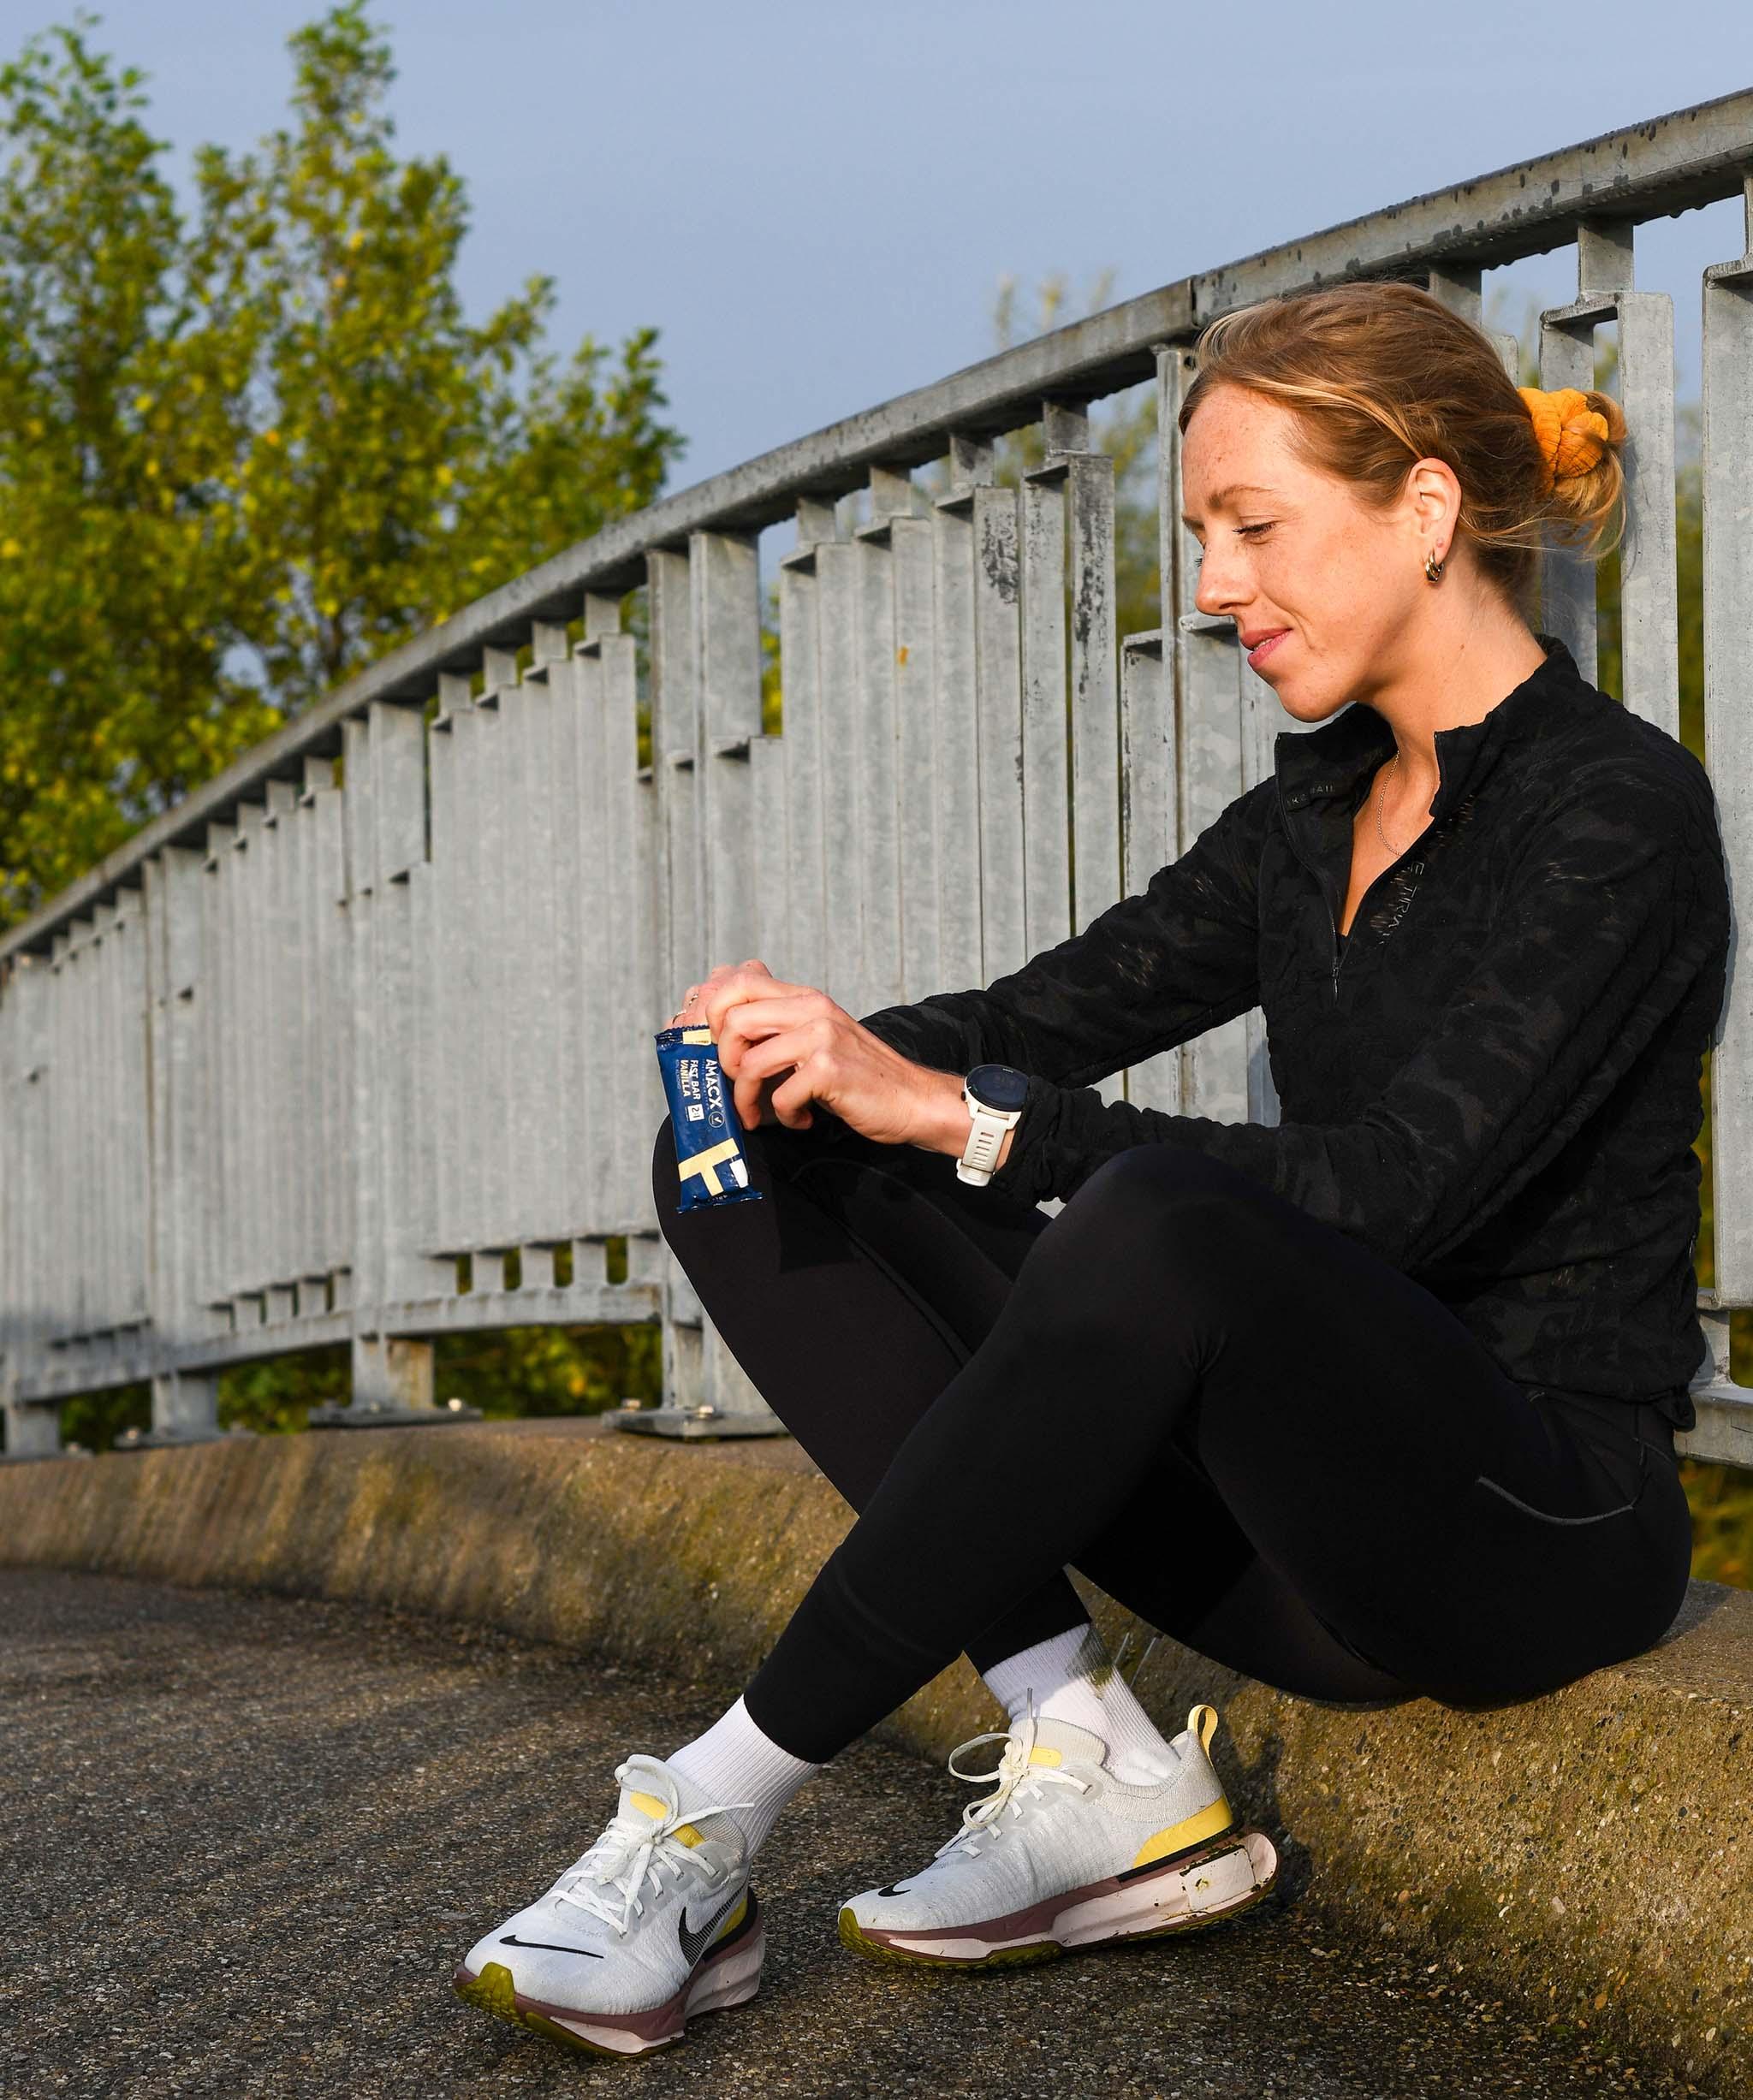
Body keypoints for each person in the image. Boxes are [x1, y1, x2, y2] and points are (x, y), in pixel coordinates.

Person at [453, 281, 1731, 2059]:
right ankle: (1090, 1758)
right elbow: (1043, 1016)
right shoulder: (1311, 815)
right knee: (751, 1151)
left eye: (1252, 528)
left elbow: (1387, 1193)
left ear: (1424, 509)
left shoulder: (1617, 817)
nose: (1213, 588)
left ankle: (711, 1812)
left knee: (1156, 1221)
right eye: (1202, 535)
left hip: (1528, 1531)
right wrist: (823, 1051)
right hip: (1293, 1529)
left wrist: (967, 1118)